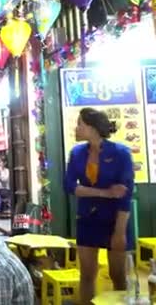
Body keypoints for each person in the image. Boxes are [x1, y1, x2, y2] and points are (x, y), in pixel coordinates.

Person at [64, 107, 134, 304]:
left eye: (80, 125)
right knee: (86, 275)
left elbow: (124, 194)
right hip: (87, 218)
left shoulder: (121, 153)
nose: (76, 128)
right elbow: (69, 186)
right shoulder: (77, 153)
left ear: (92, 128)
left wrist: (119, 232)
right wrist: (105, 193)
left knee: (118, 276)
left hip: (116, 220)